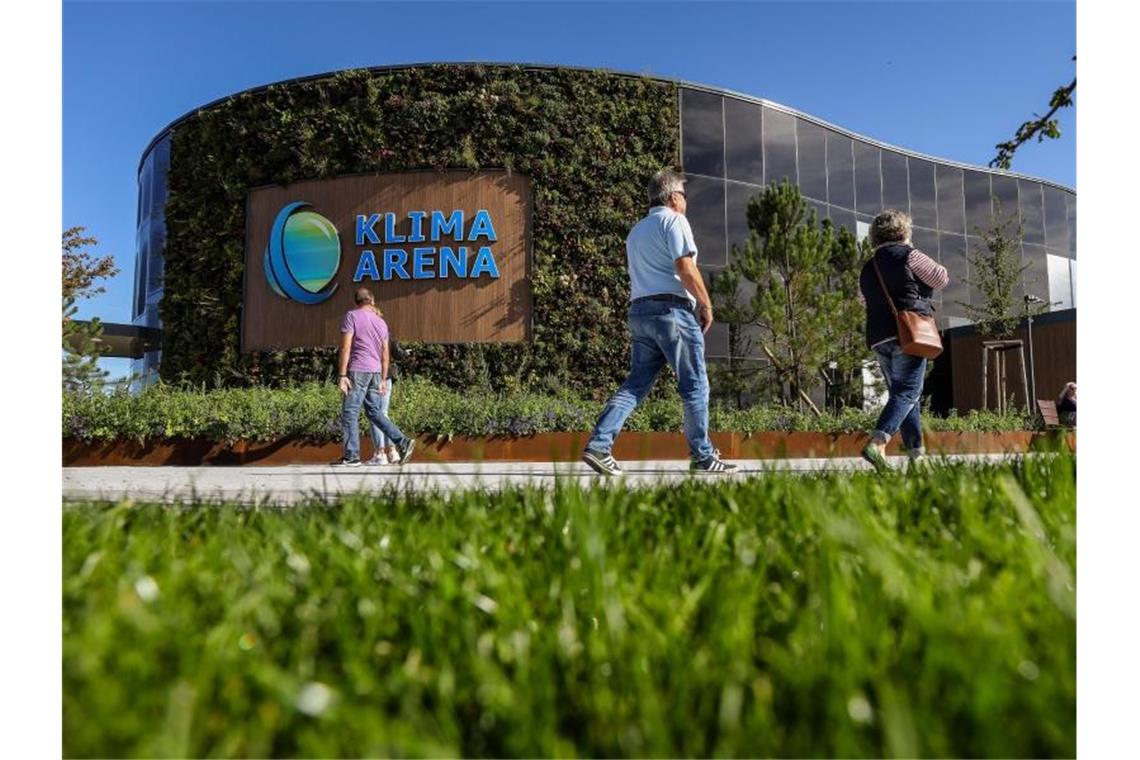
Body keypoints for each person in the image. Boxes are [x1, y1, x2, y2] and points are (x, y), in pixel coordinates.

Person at [581, 168, 737, 475]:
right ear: (674, 197)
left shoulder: (636, 230)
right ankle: (703, 456)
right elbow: (686, 268)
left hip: (640, 312)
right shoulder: (675, 220)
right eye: (685, 196)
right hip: (672, 313)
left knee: (635, 385)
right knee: (695, 385)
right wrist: (706, 304)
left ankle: (599, 445)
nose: (686, 203)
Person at [858, 209, 949, 472]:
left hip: (878, 337)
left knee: (905, 396)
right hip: (908, 332)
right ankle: (877, 442)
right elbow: (940, 278)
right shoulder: (910, 255)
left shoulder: (868, 266)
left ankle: (916, 456)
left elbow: (862, 299)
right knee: (908, 392)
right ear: (903, 231)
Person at [331, 287, 415, 467]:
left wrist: (343, 374)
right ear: (373, 301)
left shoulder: (352, 316)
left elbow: (345, 347)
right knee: (375, 412)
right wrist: (384, 378)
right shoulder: (381, 322)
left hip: (358, 370)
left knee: (349, 412)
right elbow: (386, 353)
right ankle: (403, 442)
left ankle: (351, 456)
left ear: (356, 302)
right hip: (376, 372)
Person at [364, 303, 401, 465]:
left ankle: (380, 454)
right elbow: (398, 354)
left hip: (371, 376)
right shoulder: (386, 332)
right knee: (383, 413)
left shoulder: (364, 334)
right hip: (386, 376)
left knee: (374, 414)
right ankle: (392, 452)